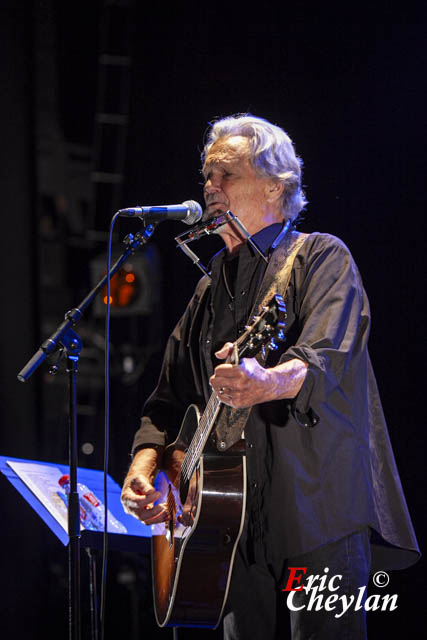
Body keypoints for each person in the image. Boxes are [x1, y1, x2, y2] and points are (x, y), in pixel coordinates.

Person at [121, 114, 419, 639]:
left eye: (226, 175)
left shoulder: (322, 257)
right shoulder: (208, 288)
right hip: (225, 525)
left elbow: (327, 354)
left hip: (315, 507)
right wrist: (149, 467)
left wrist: (269, 381)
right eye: (207, 177)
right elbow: (165, 403)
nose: (210, 188)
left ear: (276, 186)